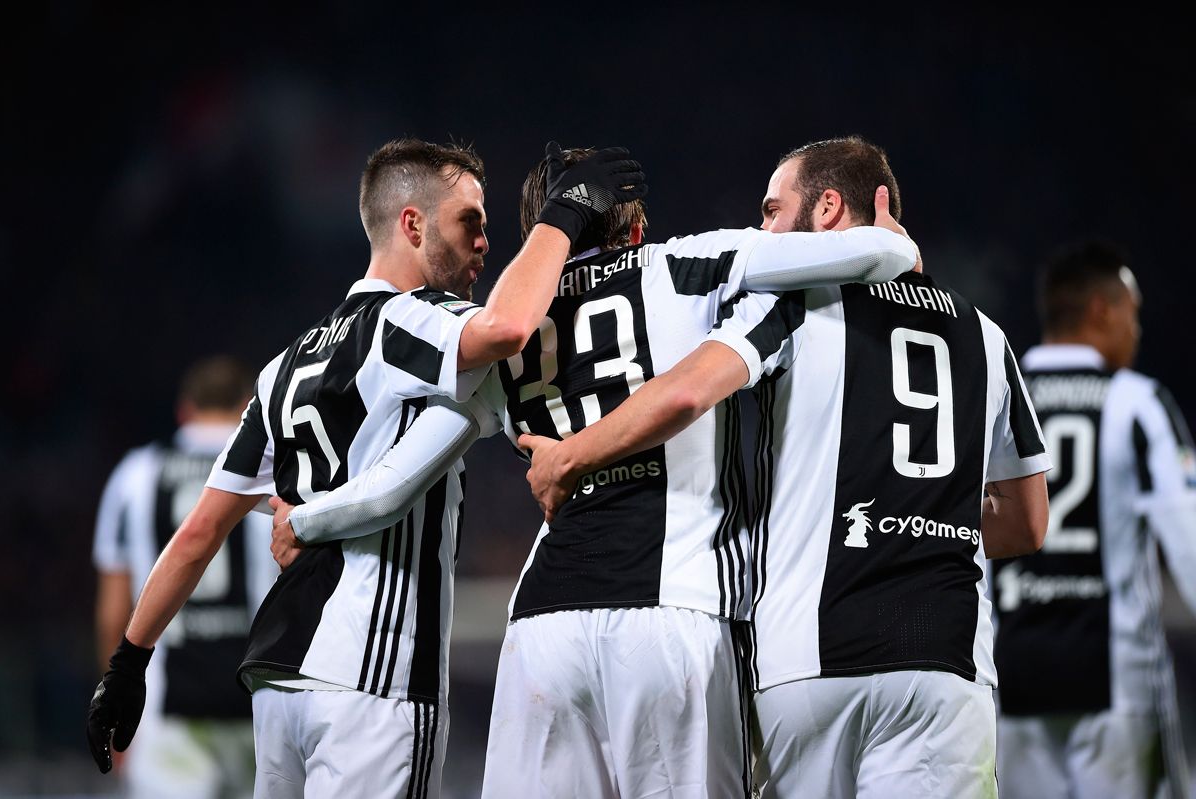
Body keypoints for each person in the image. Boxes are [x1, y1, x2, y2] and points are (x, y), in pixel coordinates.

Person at [269, 144, 922, 798]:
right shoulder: (691, 263)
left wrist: (304, 517)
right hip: (676, 610)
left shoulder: (508, 342)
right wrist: (891, 238)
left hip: (544, 631)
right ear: (636, 227)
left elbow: (390, 486)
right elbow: (881, 256)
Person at [86, 138, 647, 798]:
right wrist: (566, 216)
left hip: (278, 675)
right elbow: (507, 329)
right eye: (471, 222)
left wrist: (129, 661)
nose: (485, 244)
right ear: (412, 224)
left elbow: (198, 534)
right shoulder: (415, 320)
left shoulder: (280, 369)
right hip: (372, 668)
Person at [520, 136, 1053, 798]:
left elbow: (687, 389)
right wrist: (916, 516)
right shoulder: (987, 335)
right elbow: (1028, 521)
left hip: (804, 661)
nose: (763, 228)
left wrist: (572, 452)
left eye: (773, 209)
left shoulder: (794, 305)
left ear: (829, 208)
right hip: (943, 658)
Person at [989, 241, 1196, 799]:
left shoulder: (996, 398)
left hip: (1012, 670)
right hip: (1115, 675)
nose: (1138, 330)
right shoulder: (1137, 402)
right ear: (1102, 311)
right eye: (1134, 312)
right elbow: (1187, 535)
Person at [92, 356, 276, 799]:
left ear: (184, 411)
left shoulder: (135, 475)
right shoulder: (276, 472)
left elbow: (113, 608)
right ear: (248, 407)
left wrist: (113, 703)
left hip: (164, 712)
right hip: (261, 703)